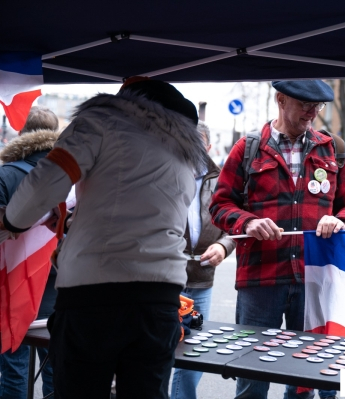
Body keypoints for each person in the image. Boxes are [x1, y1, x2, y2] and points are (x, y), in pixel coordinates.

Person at [0, 78, 208, 399]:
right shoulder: (181, 153)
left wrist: (13, 219)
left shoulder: (99, 123)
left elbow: (46, 182)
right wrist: (72, 220)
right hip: (159, 297)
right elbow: (139, 211)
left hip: (94, 294)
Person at [210, 79, 345, 399]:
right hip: (260, 281)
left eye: (318, 106)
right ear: (280, 99)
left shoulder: (332, 149)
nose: (312, 113)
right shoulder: (248, 147)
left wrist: (339, 220)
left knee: (306, 380)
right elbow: (220, 205)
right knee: (252, 377)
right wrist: (248, 222)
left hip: (315, 279)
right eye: (305, 105)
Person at [170, 121, 235, 399]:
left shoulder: (222, 181)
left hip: (202, 278)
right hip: (167, 277)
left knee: (194, 350)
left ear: (208, 148)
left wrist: (222, 246)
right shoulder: (165, 175)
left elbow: (234, 226)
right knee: (161, 347)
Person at [0, 106, 60, 399]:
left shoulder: (6, 174)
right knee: (55, 369)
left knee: (13, 367)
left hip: (11, 287)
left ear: (21, 135)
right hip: (57, 287)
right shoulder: (69, 178)